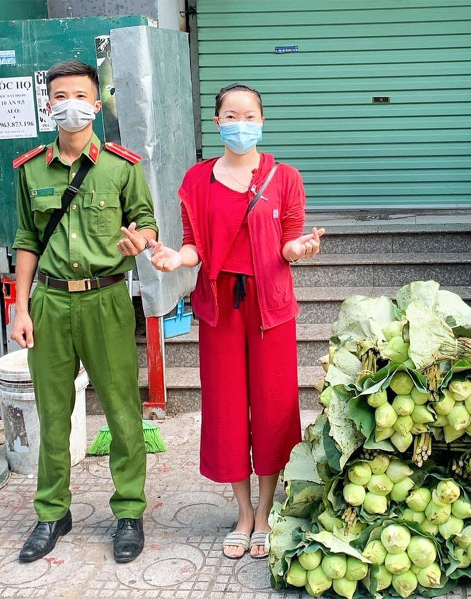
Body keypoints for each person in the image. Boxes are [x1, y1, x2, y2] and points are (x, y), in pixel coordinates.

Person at [149, 83, 323, 559]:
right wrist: (173, 260)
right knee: (227, 409)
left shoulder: (284, 177)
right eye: (231, 115)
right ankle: (242, 513)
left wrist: (299, 249)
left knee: (272, 406)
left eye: (249, 115)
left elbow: (288, 239)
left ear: (262, 120)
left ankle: (266, 512)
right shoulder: (197, 180)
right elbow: (193, 246)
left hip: (270, 307)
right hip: (220, 307)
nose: (240, 123)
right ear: (217, 121)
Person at [11, 61, 158, 563]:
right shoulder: (30, 169)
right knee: (53, 415)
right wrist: (19, 307)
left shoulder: (121, 166)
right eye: (58, 95)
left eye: (79, 95)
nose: (68, 103)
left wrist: (142, 241)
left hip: (106, 299)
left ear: (96, 105)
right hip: (49, 303)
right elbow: (27, 239)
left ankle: (129, 511)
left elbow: (146, 221)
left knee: (122, 411)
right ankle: (52, 512)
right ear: (47, 105)